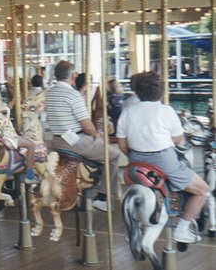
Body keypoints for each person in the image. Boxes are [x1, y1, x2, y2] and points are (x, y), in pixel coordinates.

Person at [116, 71, 208, 243]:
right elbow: (179, 139)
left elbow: (122, 145)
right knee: (202, 189)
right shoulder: (166, 110)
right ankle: (182, 228)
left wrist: (136, 155)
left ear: (137, 91)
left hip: (135, 161)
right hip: (163, 160)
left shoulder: (127, 112)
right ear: (160, 91)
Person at [45, 60, 122, 211]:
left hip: (57, 140)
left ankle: (95, 180)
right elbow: (86, 124)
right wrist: (96, 134)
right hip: (75, 141)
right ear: (73, 76)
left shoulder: (50, 92)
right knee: (113, 156)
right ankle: (102, 197)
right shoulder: (73, 95)